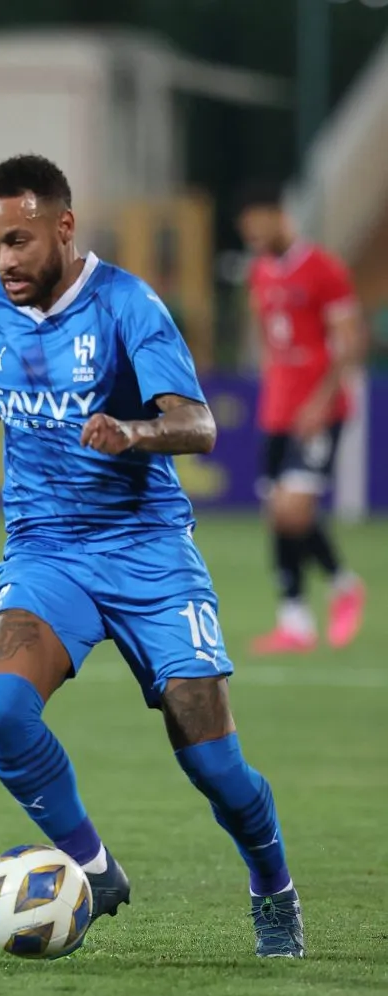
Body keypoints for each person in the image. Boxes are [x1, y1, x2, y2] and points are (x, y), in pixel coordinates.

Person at [0, 155, 303, 958]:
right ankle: (94, 870)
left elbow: (196, 425)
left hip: (147, 555)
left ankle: (272, 885)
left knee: (215, 768)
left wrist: (131, 433)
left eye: (18, 240)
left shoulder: (128, 307)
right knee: (0, 710)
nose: (5, 261)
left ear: (63, 226)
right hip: (45, 554)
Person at [235, 182, 366, 655]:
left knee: (293, 508)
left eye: (257, 226)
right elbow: (268, 333)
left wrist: (321, 400)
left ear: (280, 217)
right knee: (278, 512)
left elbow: (351, 341)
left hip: (318, 409)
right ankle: (295, 620)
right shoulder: (260, 273)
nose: (253, 236)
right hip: (278, 409)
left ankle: (342, 584)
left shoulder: (324, 270)